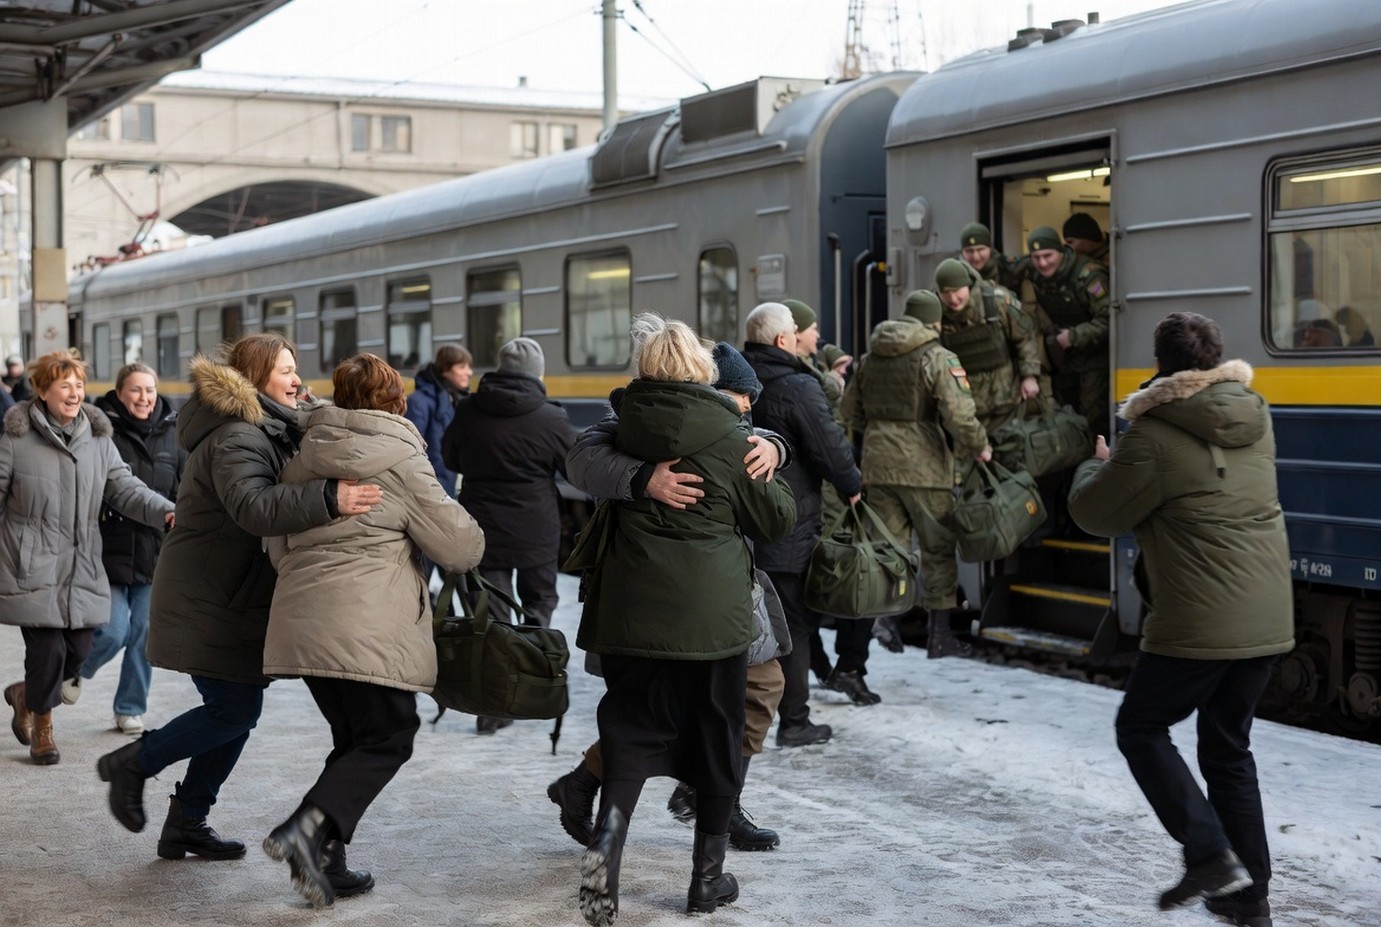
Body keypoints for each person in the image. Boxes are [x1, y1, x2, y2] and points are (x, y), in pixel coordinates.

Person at [95, 333, 383, 865]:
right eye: (286, 371)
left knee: (236, 710)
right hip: (210, 595)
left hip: (235, 594)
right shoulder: (237, 437)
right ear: (255, 379)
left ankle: (186, 823)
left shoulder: (268, 426)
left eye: (297, 370)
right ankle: (134, 764)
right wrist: (330, 498)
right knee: (234, 708)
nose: (298, 380)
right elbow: (255, 507)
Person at [1068, 312, 1293, 927]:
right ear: (1217, 358)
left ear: (1161, 364)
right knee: (1227, 748)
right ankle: (1251, 897)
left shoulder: (1151, 435)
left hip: (1199, 618)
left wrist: (1097, 465)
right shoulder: (1255, 413)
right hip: (1269, 615)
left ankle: (1208, 854)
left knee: (1140, 728)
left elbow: (1097, 513)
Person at [574, 314, 796, 926]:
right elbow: (777, 522)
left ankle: (600, 877)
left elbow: (578, 460)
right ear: (704, 372)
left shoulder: (619, 431)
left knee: (627, 739)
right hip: (711, 624)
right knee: (718, 742)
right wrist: (770, 456)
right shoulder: (731, 438)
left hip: (629, 618)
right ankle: (705, 882)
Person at [261, 353, 485, 908]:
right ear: (395, 399)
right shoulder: (401, 456)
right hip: (366, 625)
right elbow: (459, 548)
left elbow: (275, 540)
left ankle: (326, 863)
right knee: (390, 735)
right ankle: (304, 831)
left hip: (302, 619)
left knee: (355, 739)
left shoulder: (304, 453)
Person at [1, 350, 175, 765]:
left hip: (82, 565)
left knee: (80, 650)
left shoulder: (98, 439)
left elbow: (125, 487)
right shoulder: (15, 438)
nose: (75, 392)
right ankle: (43, 730)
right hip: (31, 565)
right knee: (48, 652)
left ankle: (25, 695)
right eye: (65, 385)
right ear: (43, 391)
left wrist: (165, 509)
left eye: (79, 385)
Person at [841, 290, 992, 659]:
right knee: (937, 549)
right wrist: (979, 445)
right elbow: (958, 414)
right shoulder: (937, 357)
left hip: (879, 465)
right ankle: (939, 636)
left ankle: (887, 620)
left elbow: (849, 410)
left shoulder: (871, 357)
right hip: (925, 467)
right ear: (934, 321)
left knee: (888, 547)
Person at [742, 302, 870, 733]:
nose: (799, 335)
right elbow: (830, 447)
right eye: (795, 329)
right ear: (782, 340)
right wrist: (852, 485)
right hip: (786, 521)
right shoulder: (798, 386)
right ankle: (794, 721)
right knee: (791, 620)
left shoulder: (732, 381)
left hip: (738, 525)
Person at [442, 337, 573, 734]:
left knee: (491, 616)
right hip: (536, 530)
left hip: (482, 530)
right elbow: (573, 469)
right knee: (539, 603)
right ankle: (529, 683)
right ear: (537, 373)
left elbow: (451, 458)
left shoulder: (468, 410)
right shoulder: (552, 418)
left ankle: (494, 705)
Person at [66, 363, 186, 735]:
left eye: (149, 390)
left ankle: (130, 707)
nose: (144, 398)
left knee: (145, 635)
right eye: (135, 390)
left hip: (155, 552)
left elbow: (182, 489)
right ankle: (73, 672)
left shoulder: (173, 433)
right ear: (119, 394)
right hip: (109, 549)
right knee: (114, 630)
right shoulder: (101, 432)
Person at [934, 258, 1042, 433]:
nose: (953, 299)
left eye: (956, 291)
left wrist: (1029, 376)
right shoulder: (935, 313)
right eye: (945, 293)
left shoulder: (996, 301)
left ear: (967, 286)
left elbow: (1024, 338)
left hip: (1006, 399)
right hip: (966, 408)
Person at [1024, 225, 1112, 434]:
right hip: (1066, 358)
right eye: (1036, 257)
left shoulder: (1089, 275)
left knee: (1093, 417)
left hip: (1095, 356)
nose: (1042, 263)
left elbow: (1110, 318)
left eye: (1048, 255)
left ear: (1061, 252)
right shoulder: (1035, 272)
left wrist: (1074, 336)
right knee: (1067, 414)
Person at [404, 343, 472, 497]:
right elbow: (411, 452)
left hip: (447, 489)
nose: (469, 372)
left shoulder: (454, 400)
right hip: (429, 492)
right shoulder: (418, 402)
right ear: (445, 368)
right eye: (462, 367)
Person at [959, 221, 1027, 292]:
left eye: (980, 250)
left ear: (990, 249)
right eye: (969, 251)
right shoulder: (954, 271)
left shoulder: (1005, 268)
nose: (975, 257)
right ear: (962, 252)